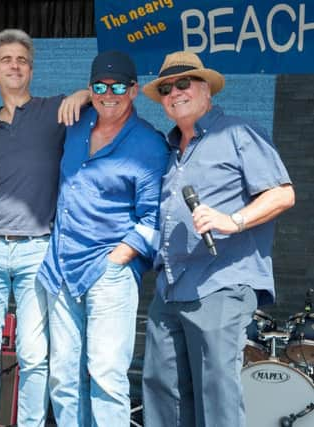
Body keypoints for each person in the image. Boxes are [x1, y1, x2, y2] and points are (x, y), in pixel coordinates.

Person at [140, 51, 295, 427]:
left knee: (217, 395)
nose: (174, 92)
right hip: (171, 288)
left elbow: (282, 194)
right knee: (163, 394)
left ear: (206, 88)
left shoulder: (238, 132)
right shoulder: (166, 148)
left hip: (220, 284)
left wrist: (233, 220)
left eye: (183, 83)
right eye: (166, 88)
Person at [36, 50, 168, 426]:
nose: (108, 93)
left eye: (118, 86)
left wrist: (118, 259)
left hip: (108, 274)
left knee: (106, 377)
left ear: (135, 90)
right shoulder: (75, 124)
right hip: (60, 269)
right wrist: (79, 95)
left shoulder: (149, 145)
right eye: (99, 85)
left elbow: (152, 218)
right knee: (62, 378)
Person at [0, 28, 89, 427]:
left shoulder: (55, 111)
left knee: (34, 355)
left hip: (38, 248)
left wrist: (82, 94)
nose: (14, 66)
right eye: (6, 60)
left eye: (21, 59)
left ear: (31, 69)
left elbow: (103, 94)